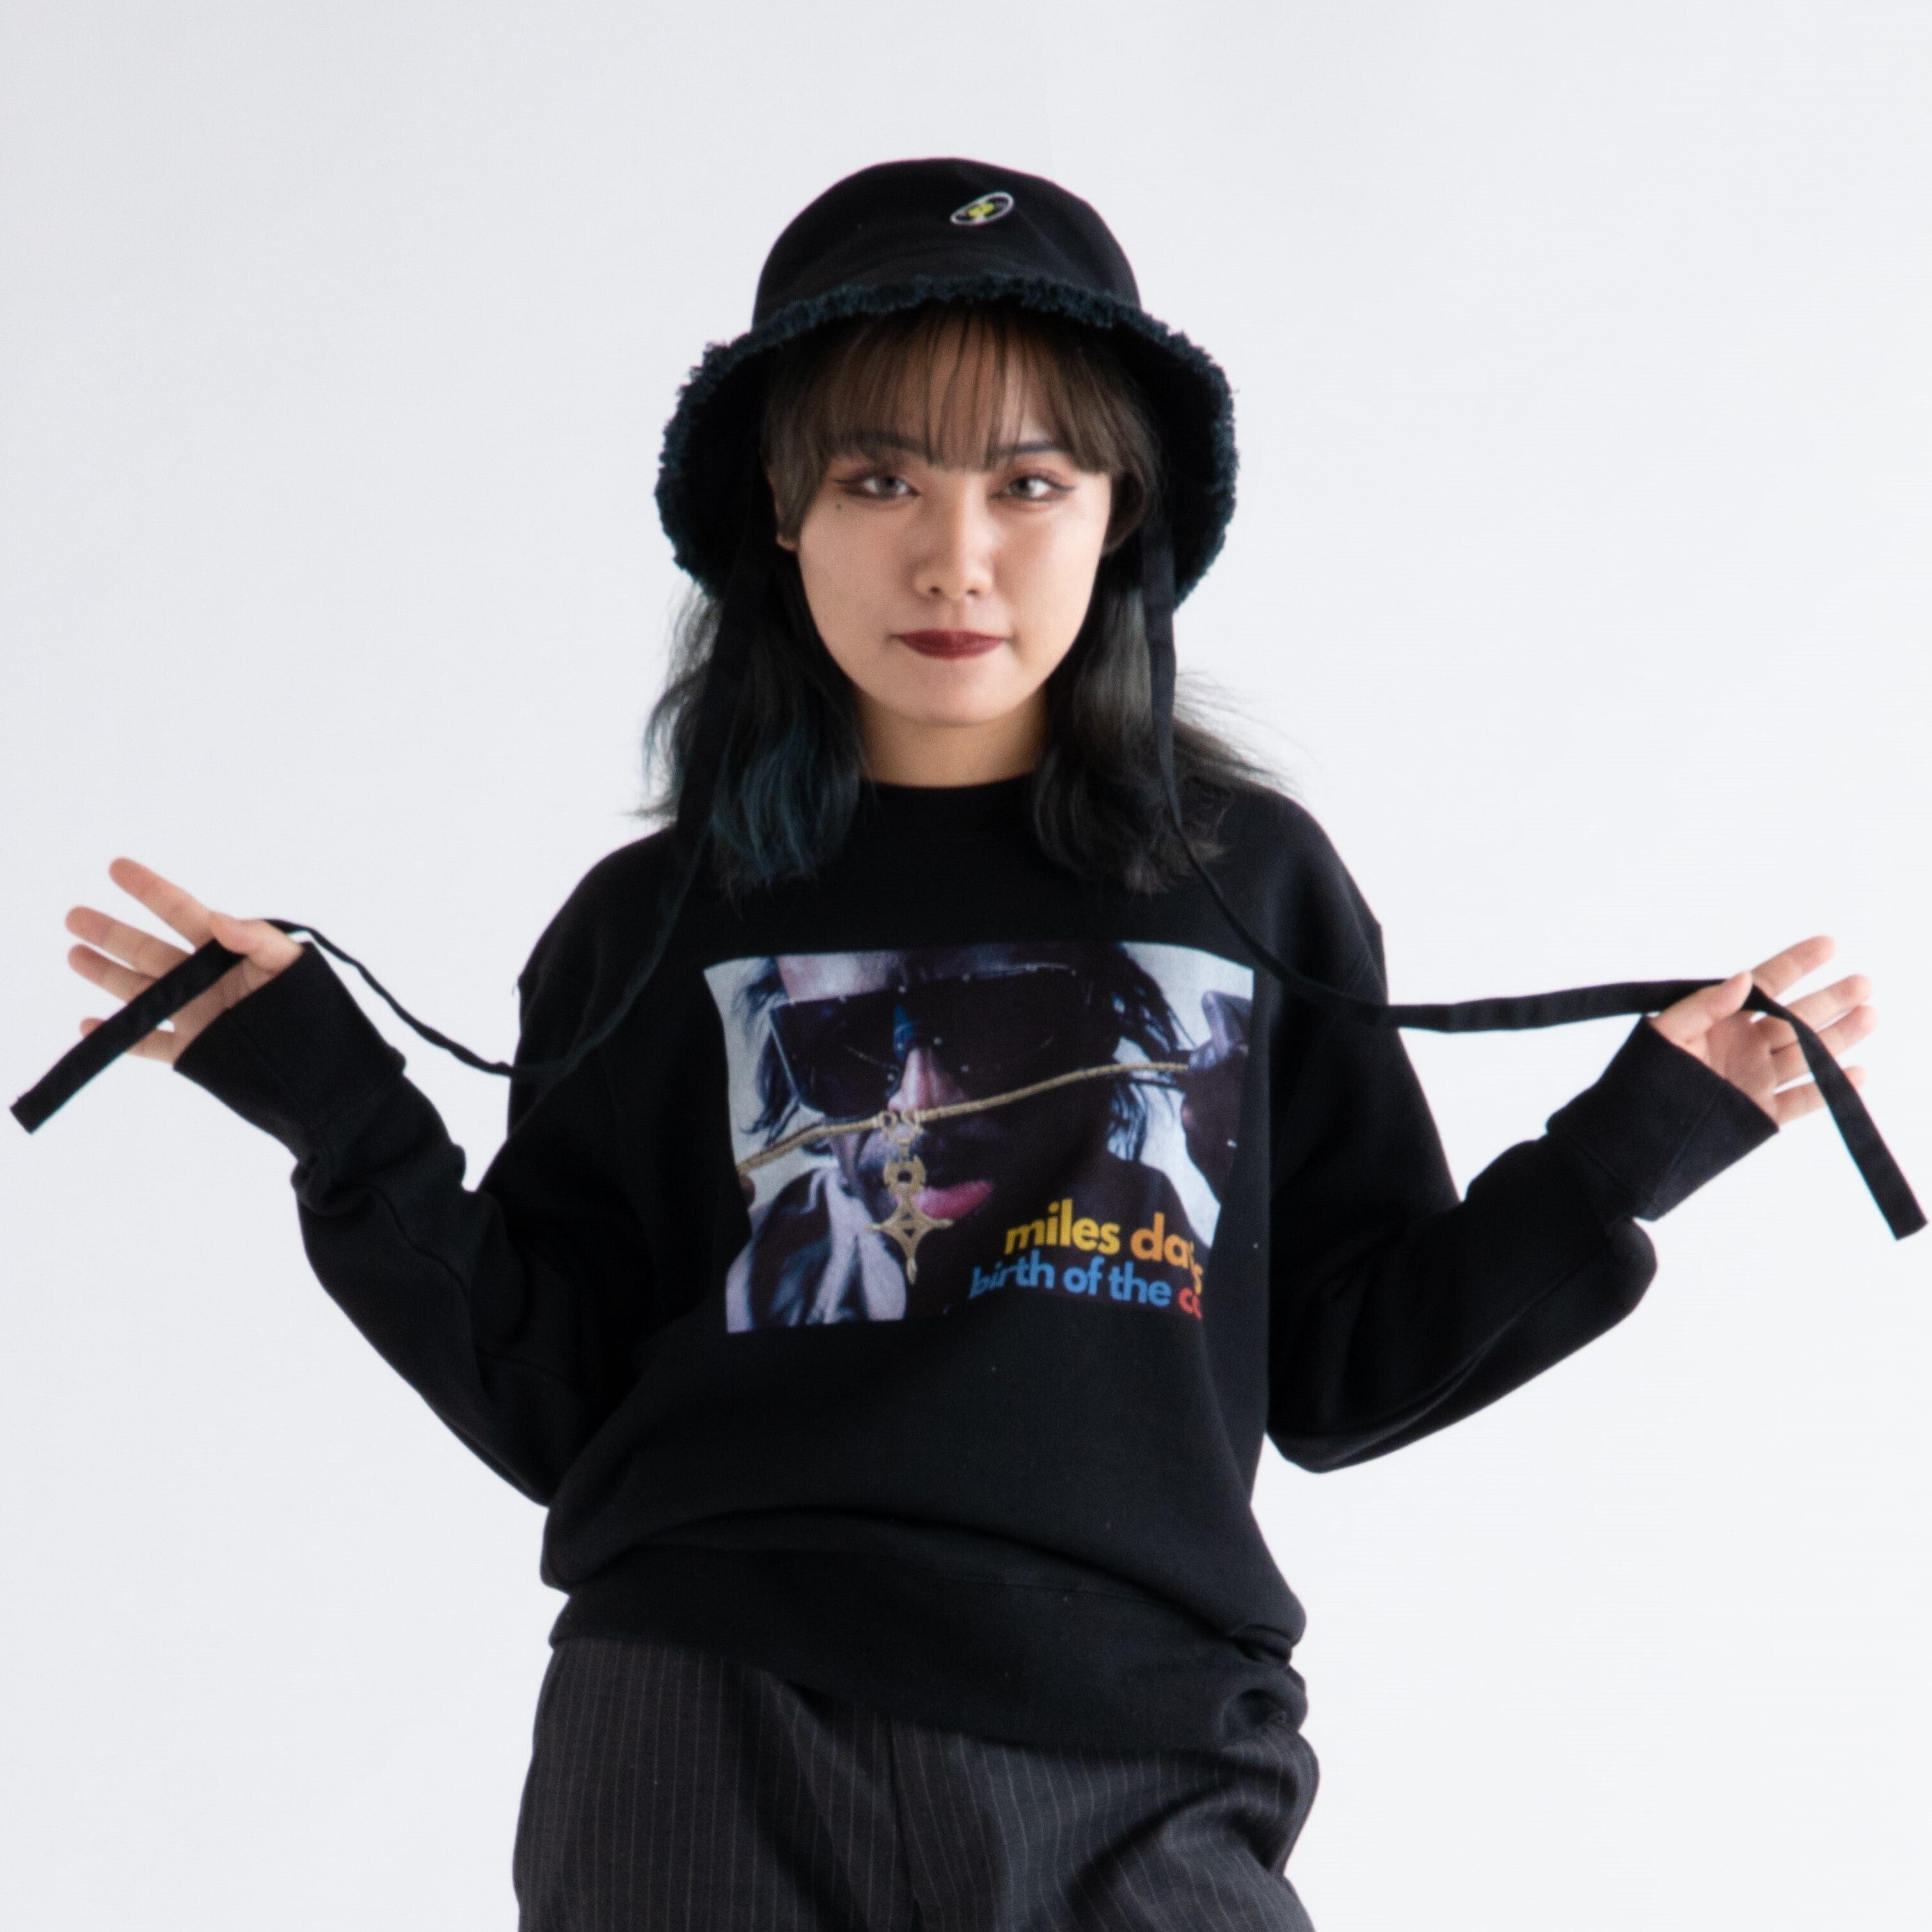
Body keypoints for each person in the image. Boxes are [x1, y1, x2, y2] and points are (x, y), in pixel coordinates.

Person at [51, 159, 1888, 1930]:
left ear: (1120, 515)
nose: (956, 555)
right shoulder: (654, 919)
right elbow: (559, 1398)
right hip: (705, 1733)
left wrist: (1635, 1147)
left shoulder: (1245, 885)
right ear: (782, 512)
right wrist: (334, 1104)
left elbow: (1346, 1368)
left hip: (1142, 1750)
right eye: (879, 477)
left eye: (1029, 481)